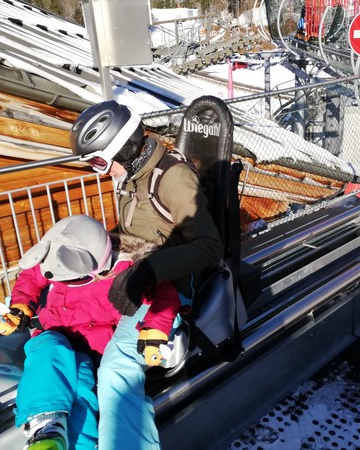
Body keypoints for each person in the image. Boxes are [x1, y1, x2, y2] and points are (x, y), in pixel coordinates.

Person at [70, 100, 224, 450]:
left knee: (115, 370)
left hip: (167, 288)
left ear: (122, 149)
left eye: (98, 161)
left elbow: (209, 247)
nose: (100, 171)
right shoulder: (129, 178)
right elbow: (136, 232)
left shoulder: (172, 178)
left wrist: (150, 272)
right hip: (137, 276)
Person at [0, 214, 180, 450]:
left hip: (93, 345)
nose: (65, 284)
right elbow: (32, 275)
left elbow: (164, 296)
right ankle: (46, 426)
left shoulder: (129, 274)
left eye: (74, 280)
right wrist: (21, 305)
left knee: (81, 390)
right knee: (45, 354)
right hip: (56, 332)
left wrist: (154, 329)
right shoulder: (57, 257)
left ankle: (79, 444)